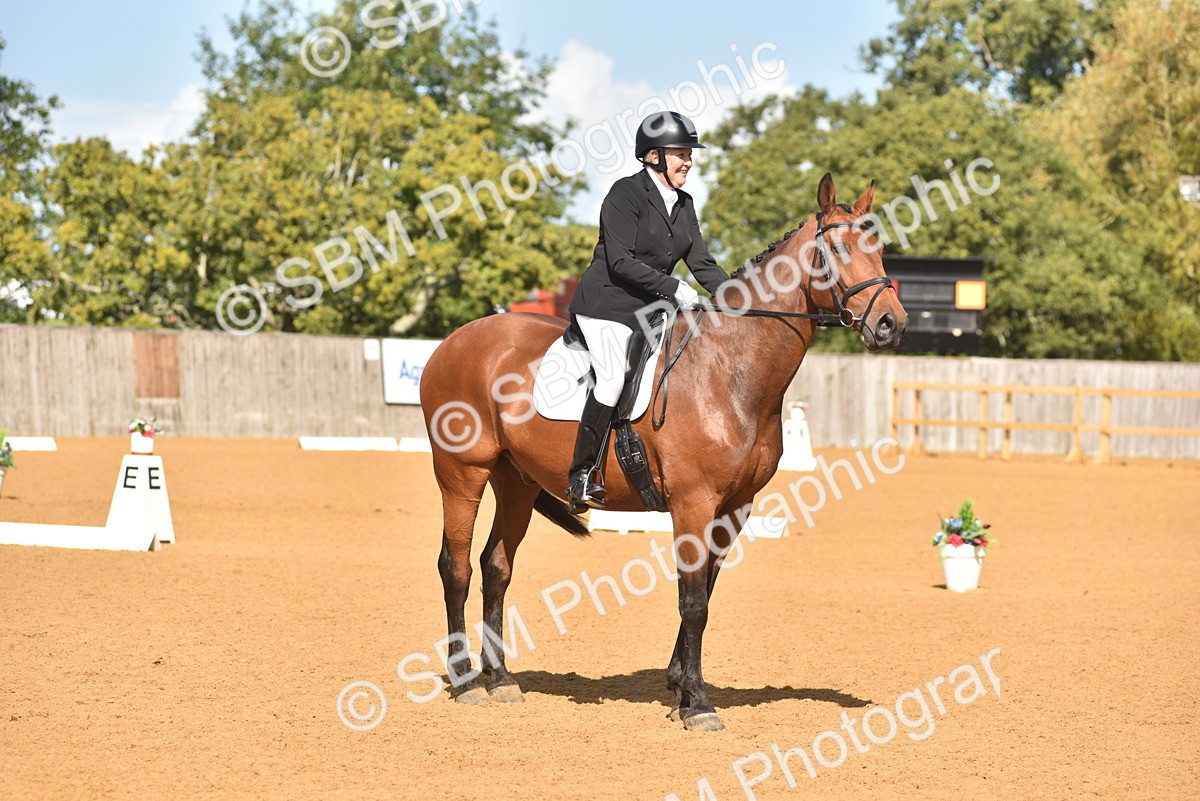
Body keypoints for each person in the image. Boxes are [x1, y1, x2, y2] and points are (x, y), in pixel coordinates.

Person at [565, 110, 729, 509]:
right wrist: (674, 287)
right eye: (680, 153)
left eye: (690, 153)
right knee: (611, 381)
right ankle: (581, 475)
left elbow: (702, 261)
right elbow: (620, 261)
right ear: (653, 156)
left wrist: (738, 298)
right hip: (608, 304)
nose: (688, 160)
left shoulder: (684, 203)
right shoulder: (625, 194)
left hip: (652, 308)